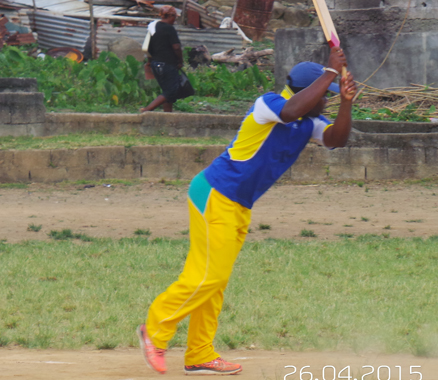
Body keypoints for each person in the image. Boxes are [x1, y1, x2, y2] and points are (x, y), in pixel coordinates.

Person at [137, 46, 357, 376]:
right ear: (309, 90)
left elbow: (336, 139)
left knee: (216, 281)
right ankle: (154, 332)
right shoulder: (270, 104)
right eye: (327, 95)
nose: (328, 100)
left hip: (237, 203)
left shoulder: (309, 121)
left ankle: (199, 353)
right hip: (214, 193)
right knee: (208, 275)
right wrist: (330, 72)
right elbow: (290, 111)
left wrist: (347, 104)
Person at [140, 5, 184, 113]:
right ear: (171, 16)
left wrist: (149, 62)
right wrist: (180, 60)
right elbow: (176, 47)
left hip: (156, 64)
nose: (175, 20)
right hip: (167, 64)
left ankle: (167, 116)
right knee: (171, 91)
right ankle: (147, 110)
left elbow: (148, 47)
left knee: (167, 91)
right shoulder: (169, 28)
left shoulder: (153, 27)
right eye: (175, 17)